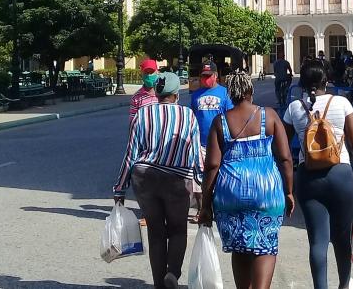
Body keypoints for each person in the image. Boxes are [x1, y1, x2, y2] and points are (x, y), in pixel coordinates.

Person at [283, 59, 353, 289]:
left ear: (302, 82)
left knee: (318, 241)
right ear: (326, 80)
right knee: (342, 238)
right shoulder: (342, 102)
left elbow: (283, 148)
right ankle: (344, 284)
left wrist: (287, 186)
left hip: (308, 177)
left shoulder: (294, 108)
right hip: (341, 175)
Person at [198, 71, 294, 289]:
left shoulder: (220, 121)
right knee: (266, 248)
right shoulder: (268, 116)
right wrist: (288, 191)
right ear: (251, 91)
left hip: (230, 193)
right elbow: (285, 158)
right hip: (266, 192)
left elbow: (212, 165)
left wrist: (206, 204)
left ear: (230, 94)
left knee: (240, 247)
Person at [113, 72, 204, 289]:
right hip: (176, 178)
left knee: (155, 231)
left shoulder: (141, 115)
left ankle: (158, 284)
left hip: (145, 178)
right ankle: (173, 273)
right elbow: (195, 156)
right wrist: (200, 184)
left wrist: (120, 188)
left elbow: (131, 154)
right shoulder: (188, 115)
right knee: (177, 229)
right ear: (175, 94)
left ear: (157, 93)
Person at [190, 61, 234, 219]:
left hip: (220, 143)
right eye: (203, 76)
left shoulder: (224, 93)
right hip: (200, 143)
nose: (206, 79)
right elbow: (192, 117)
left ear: (216, 76)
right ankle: (201, 208)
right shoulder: (195, 95)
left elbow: (230, 116)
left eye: (209, 76)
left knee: (219, 175)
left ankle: (219, 206)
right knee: (198, 178)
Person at [128, 58, 159, 123]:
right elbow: (133, 121)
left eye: (151, 72)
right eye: (146, 73)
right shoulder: (136, 97)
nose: (149, 75)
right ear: (142, 74)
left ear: (157, 72)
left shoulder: (164, 93)